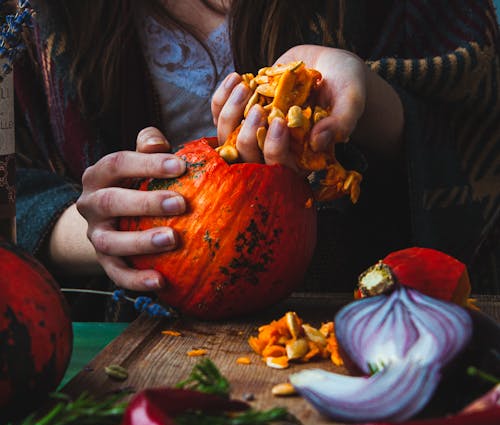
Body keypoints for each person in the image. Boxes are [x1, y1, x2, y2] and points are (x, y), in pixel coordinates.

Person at [14, 0, 500, 320]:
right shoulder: (30, 15)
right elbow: (10, 184)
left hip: (378, 325)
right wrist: (101, 230)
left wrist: (368, 102)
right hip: (110, 350)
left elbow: (479, 128)